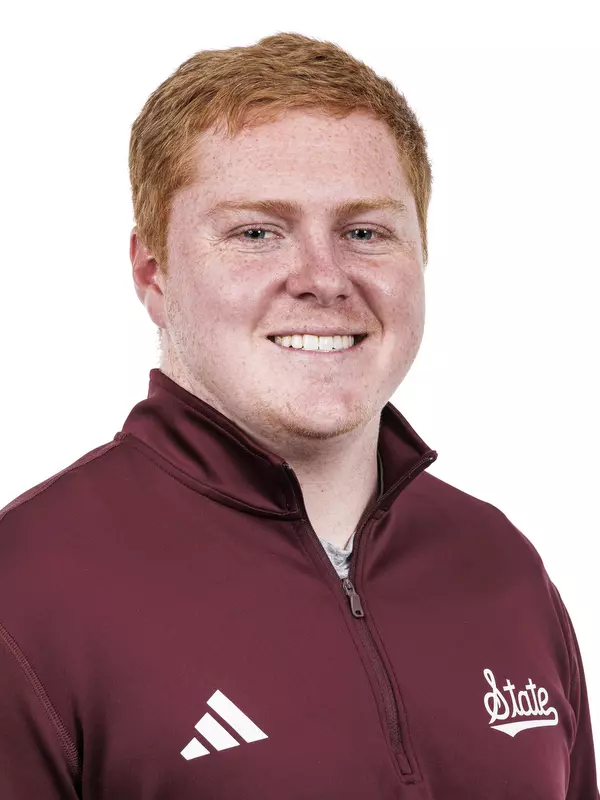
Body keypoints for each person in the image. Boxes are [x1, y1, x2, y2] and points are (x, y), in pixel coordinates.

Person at [0, 31, 597, 800]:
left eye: (364, 232)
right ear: (153, 271)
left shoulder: (503, 568)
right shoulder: (26, 591)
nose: (323, 277)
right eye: (257, 232)